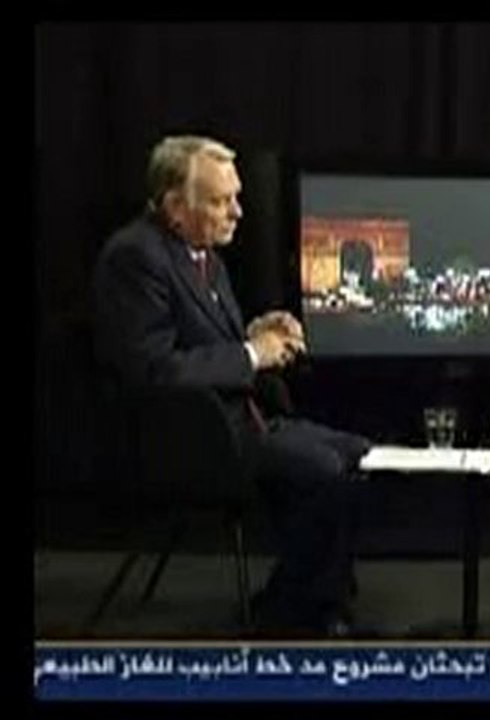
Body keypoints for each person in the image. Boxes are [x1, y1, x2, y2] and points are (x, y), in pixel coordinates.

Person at [94, 135, 371, 637]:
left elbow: (205, 345)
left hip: (243, 420)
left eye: (236, 198)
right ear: (175, 207)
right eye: (221, 201)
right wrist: (252, 354)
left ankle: (316, 601)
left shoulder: (205, 255)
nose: (238, 212)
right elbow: (155, 370)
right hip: (194, 440)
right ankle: (291, 614)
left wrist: (258, 334)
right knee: (324, 472)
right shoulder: (135, 258)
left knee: (358, 455)